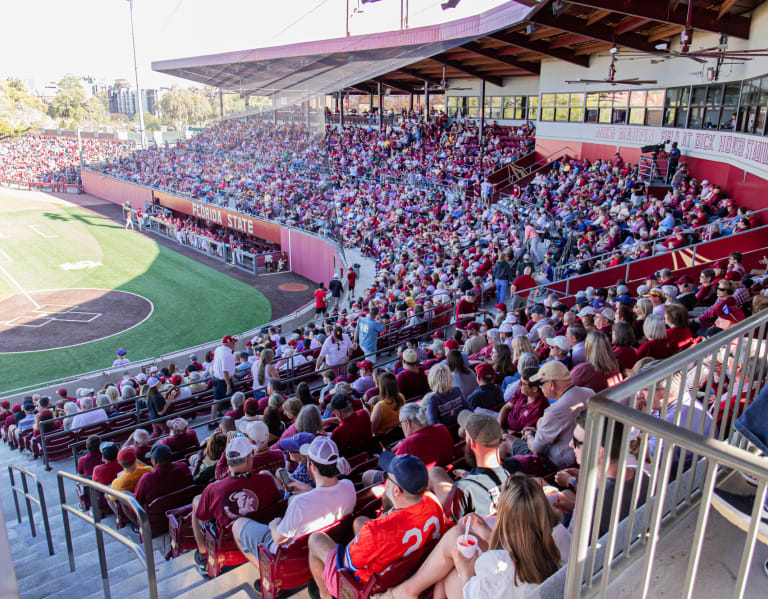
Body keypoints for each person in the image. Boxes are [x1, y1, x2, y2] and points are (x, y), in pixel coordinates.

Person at [387, 475, 564, 599]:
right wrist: (489, 536)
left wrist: (466, 572)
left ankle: (404, 591)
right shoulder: (561, 535)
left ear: (504, 518)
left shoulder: (498, 562)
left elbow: (474, 592)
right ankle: (406, 591)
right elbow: (522, 548)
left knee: (450, 571)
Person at [307, 453, 447, 599]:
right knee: (359, 521)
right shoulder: (432, 501)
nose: (385, 480)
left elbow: (347, 564)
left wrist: (357, 544)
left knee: (315, 539)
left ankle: (325, 596)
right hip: (407, 568)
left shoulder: (375, 531)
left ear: (396, 491)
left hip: (362, 588)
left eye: (388, 477)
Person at [233, 436, 355, 561]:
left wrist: (274, 525)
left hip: (291, 558)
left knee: (238, 525)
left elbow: (278, 538)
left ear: (312, 466)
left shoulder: (300, 503)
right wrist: (309, 490)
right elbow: (326, 498)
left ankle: (267, 577)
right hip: (328, 542)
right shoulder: (349, 486)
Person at [192, 436, 282, 575]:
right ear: (248, 458)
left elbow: (203, 519)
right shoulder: (266, 479)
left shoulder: (213, 489)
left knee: (196, 504)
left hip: (228, 550)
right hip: (261, 541)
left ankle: (203, 554)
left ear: (228, 461)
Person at [428, 410, 509, 521]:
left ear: (472, 444)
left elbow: (446, 524)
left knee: (435, 472)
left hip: (482, 535)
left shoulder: (464, 490)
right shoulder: (517, 465)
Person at [510, 361, 591, 469]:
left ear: (551, 384)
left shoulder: (554, 411)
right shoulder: (590, 392)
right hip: (585, 453)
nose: (540, 388)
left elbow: (535, 448)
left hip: (559, 463)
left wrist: (529, 434)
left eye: (540, 384)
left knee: (507, 440)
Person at [134, 443, 193, 509]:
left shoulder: (147, 479)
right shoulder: (183, 466)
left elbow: (136, 502)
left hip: (158, 517)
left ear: (155, 460)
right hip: (183, 507)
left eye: (151, 458)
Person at [498, 367, 549, 434]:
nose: (519, 384)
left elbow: (522, 434)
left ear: (534, 389)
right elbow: (506, 407)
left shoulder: (539, 408)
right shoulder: (522, 392)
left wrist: (503, 432)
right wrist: (500, 427)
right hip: (501, 426)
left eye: (522, 383)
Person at [423, 363, 469, 428]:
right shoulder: (457, 390)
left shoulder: (432, 399)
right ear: (450, 378)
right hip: (462, 429)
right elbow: (470, 410)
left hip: (448, 434)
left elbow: (433, 425)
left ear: (431, 381)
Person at [209, 335, 237, 426]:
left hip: (216, 379)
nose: (234, 344)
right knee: (234, 399)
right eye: (233, 342)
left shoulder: (218, 349)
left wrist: (233, 369)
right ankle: (236, 418)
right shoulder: (227, 354)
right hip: (224, 381)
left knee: (216, 400)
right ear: (228, 343)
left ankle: (212, 421)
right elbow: (225, 371)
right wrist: (228, 385)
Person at [370, 372, 406, 436]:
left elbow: (371, 429)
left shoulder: (380, 406)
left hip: (385, 440)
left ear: (382, 387)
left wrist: (367, 411)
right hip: (400, 434)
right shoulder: (401, 396)